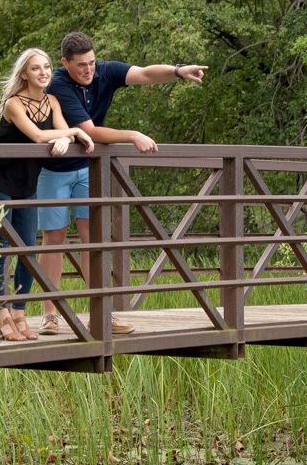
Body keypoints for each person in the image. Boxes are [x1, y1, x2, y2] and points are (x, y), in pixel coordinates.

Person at [37, 32, 207, 335]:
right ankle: (50, 315)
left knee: (94, 240)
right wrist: (132, 134)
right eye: (80, 66)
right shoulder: (59, 85)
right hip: (55, 169)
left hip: (88, 168)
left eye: (91, 62)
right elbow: (90, 131)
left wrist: (179, 71)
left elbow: (143, 73)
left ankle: (100, 313)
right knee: (54, 239)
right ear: (65, 63)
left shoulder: (104, 70)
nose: (88, 70)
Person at [0, 48, 94, 342]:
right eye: (36, 68)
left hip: (28, 186)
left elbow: (60, 133)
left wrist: (65, 135)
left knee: (28, 252)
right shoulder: (13, 104)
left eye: (46, 67)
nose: (44, 72)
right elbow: (37, 135)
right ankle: (1, 315)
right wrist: (72, 133)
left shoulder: (53, 101)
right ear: (24, 74)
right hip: (0, 185)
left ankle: (19, 313)